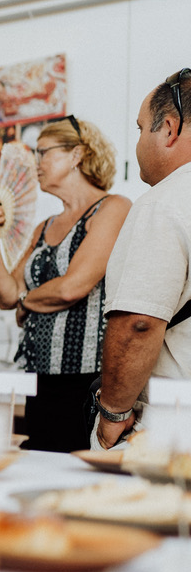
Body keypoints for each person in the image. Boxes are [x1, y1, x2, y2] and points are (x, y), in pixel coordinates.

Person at [0, 116, 128, 452]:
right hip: (39, 379)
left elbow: (72, 287)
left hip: (87, 382)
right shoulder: (44, 227)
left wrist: (25, 301)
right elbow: (5, 294)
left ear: (76, 155)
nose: (36, 164)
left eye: (43, 152)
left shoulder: (112, 208)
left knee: (77, 476)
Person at [94, 68, 191, 450]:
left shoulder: (165, 203)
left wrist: (113, 415)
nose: (137, 143)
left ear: (168, 129)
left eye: (139, 129)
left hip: (172, 428)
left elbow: (138, 323)